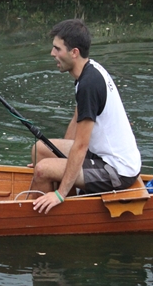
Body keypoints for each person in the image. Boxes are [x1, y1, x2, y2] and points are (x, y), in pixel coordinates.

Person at [31, 19, 141, 214]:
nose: (52, 54)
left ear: (74, 53)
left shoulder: (89, 84)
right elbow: (77, 117)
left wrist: (60, 193)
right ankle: (70, 207)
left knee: (42, 169)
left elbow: (81, 145)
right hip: (99, 155)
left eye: (57, 49)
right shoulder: (87, 71)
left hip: (117, 170)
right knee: (39, 149)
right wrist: (60, 162)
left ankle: (37, 218)